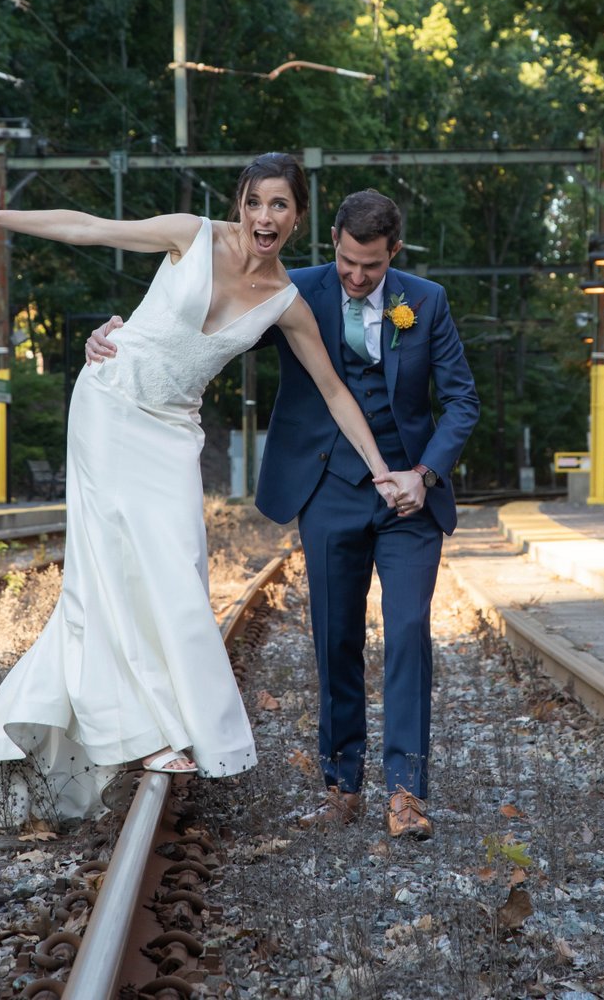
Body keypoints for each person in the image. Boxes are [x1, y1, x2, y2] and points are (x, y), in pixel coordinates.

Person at [0, 155, 417, 822]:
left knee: (179, 568)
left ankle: (128, 722)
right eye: (253, 203)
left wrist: (382, 466)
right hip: (110, 402)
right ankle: (155, 734)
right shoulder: (193, 234)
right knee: (110, 573)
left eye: (278, 206)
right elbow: (90, 227)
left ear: (299, 216)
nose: (263, 217)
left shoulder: (287, 302)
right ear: (238, 205)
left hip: (171, 432)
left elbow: (334, 390)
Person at [88, 188, 480, 840]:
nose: (357, 278)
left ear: (395, 253)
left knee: (408, 629)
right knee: (336, 639)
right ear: (332, 241)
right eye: (349, 262)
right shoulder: (291, 290)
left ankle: (407, 792)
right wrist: (120, 336)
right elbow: (203, 326)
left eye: (372, 267)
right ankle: (341, 786)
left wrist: (424, 473)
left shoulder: (427, 302)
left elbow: (462, 402)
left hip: (408, 497)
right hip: (327, 490)